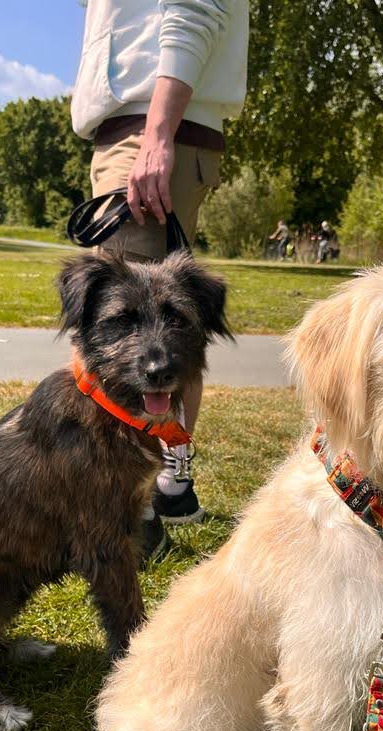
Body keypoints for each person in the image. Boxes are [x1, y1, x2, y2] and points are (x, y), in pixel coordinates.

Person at [71, 1, 250, 558]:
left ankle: (135, 519)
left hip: (149, 127)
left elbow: (194, 7)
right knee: (167, 333)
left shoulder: (152, 131)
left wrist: (155, 134)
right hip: (155, 125)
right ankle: (171, 486)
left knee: (134, 340)